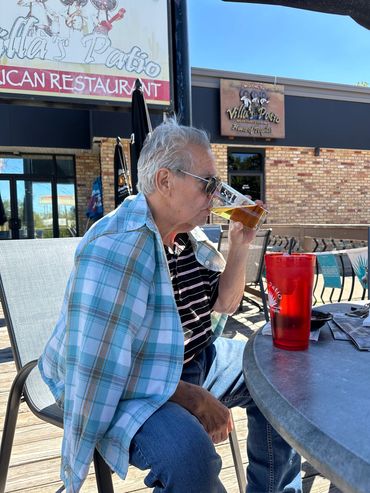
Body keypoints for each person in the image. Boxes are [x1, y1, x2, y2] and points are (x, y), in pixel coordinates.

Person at [38, 118, 302, 493]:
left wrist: (240, 242)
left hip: (195, 360)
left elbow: (226, 304)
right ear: (165, 181)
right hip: (130, 385)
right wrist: (192, 396)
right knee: (189, 455)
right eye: (208, 184)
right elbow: (99, 368)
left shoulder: (186, 239)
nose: (217, 194)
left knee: (281, 375)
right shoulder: (118, 248)